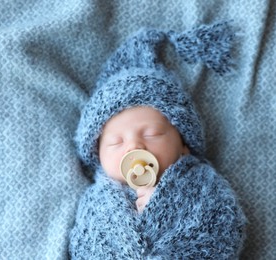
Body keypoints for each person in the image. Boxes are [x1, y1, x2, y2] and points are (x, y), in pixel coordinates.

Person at [69, 22, 246, 259]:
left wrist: (166, 207)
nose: (134, 147)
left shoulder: (201, 183)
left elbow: (226, 227)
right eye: (116, 142)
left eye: (151, 134)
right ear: (96, 155)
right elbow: (84, 247)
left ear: (184, 145)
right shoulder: (96, 201)